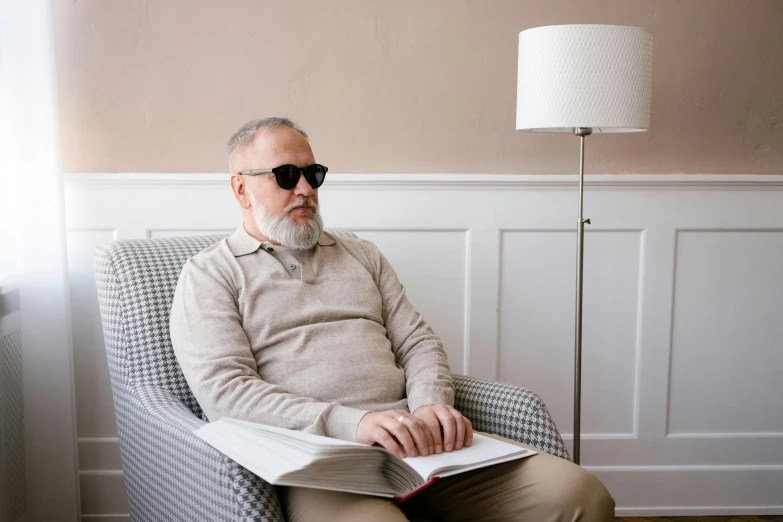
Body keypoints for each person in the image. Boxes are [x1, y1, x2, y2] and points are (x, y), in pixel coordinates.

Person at [170, 117, 615, 521]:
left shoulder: (362, 255)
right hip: (320, 463)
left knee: (581, 494)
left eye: (313, 174)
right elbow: (225, 392)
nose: (304, 189)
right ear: (241, 189)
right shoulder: (210, 274)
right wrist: (355, 424)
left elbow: (417, 341)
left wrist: (431, 403)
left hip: (418, 447)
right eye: (286, 176)